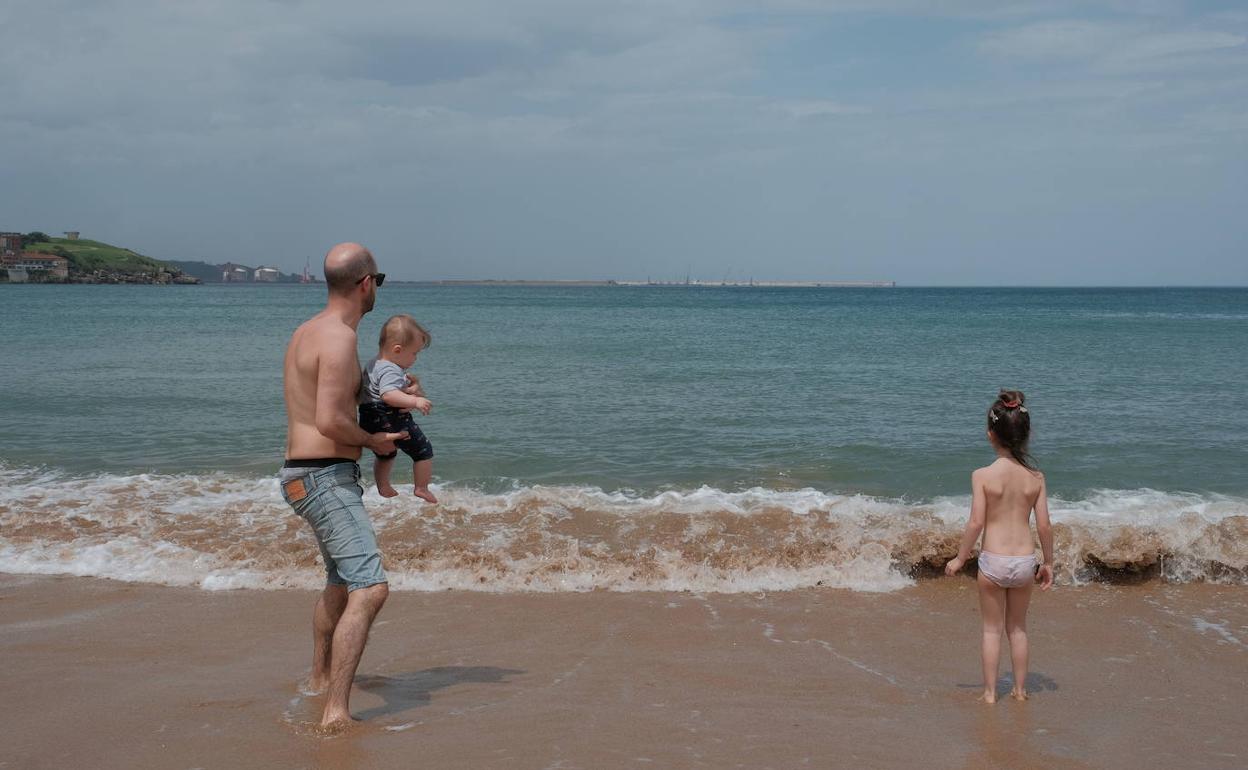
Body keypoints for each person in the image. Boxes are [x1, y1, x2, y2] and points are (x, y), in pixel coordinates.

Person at [278, 242, 407, 730]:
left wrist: (395, 392)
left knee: (339, 583)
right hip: (324, 477)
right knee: (370, 588)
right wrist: (373, 441)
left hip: (305, 474)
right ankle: (336, 711)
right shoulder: (337, 338)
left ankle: (318, 679)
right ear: (366, 283)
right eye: (380, 281)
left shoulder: (308, 331)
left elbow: (334, 400)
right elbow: (330, 420)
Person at [945, 390, 1054, 704]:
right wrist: (1048, 562)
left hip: (993, 561)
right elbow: (1044, 526)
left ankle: (991, 693)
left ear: (990, 434)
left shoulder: (982, 476)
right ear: (1026, 434)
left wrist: (960, 558)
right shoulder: (1036, 478)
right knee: (1017, 629)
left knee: (991, 631)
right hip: (1023, 562)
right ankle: (1020, 691)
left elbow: (975, 523)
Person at [359, 314, 437, 502]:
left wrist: (412, 391)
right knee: (423, 451)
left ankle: (383, 485)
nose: (415, 358)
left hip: (369, 418)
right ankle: (422, 488)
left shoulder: (373, 364)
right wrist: (415, 402)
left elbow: (388, 391)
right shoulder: (390, 369)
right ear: (397, 350)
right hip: (388, 417)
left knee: (387, 453)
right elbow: (388, 395)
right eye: (414, 353)